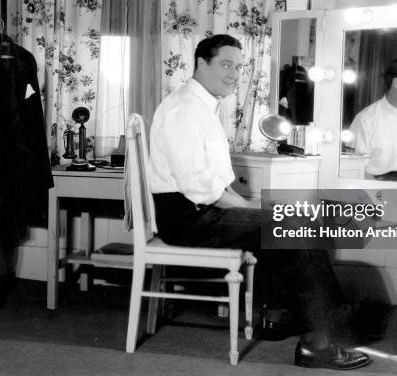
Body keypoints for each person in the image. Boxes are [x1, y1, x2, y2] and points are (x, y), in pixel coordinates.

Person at [148, 34, 370, 370]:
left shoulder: (203, 108)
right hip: (187, 219)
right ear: (200, 63)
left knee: (294, 224)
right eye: (225, 64)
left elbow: (217, 186)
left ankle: (286, 319)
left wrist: (257, 208)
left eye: (238, 67)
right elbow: (199, 190)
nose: (234, 73)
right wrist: (256, 209)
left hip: (201, 212)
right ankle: (318, 342)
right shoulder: (184, 110)